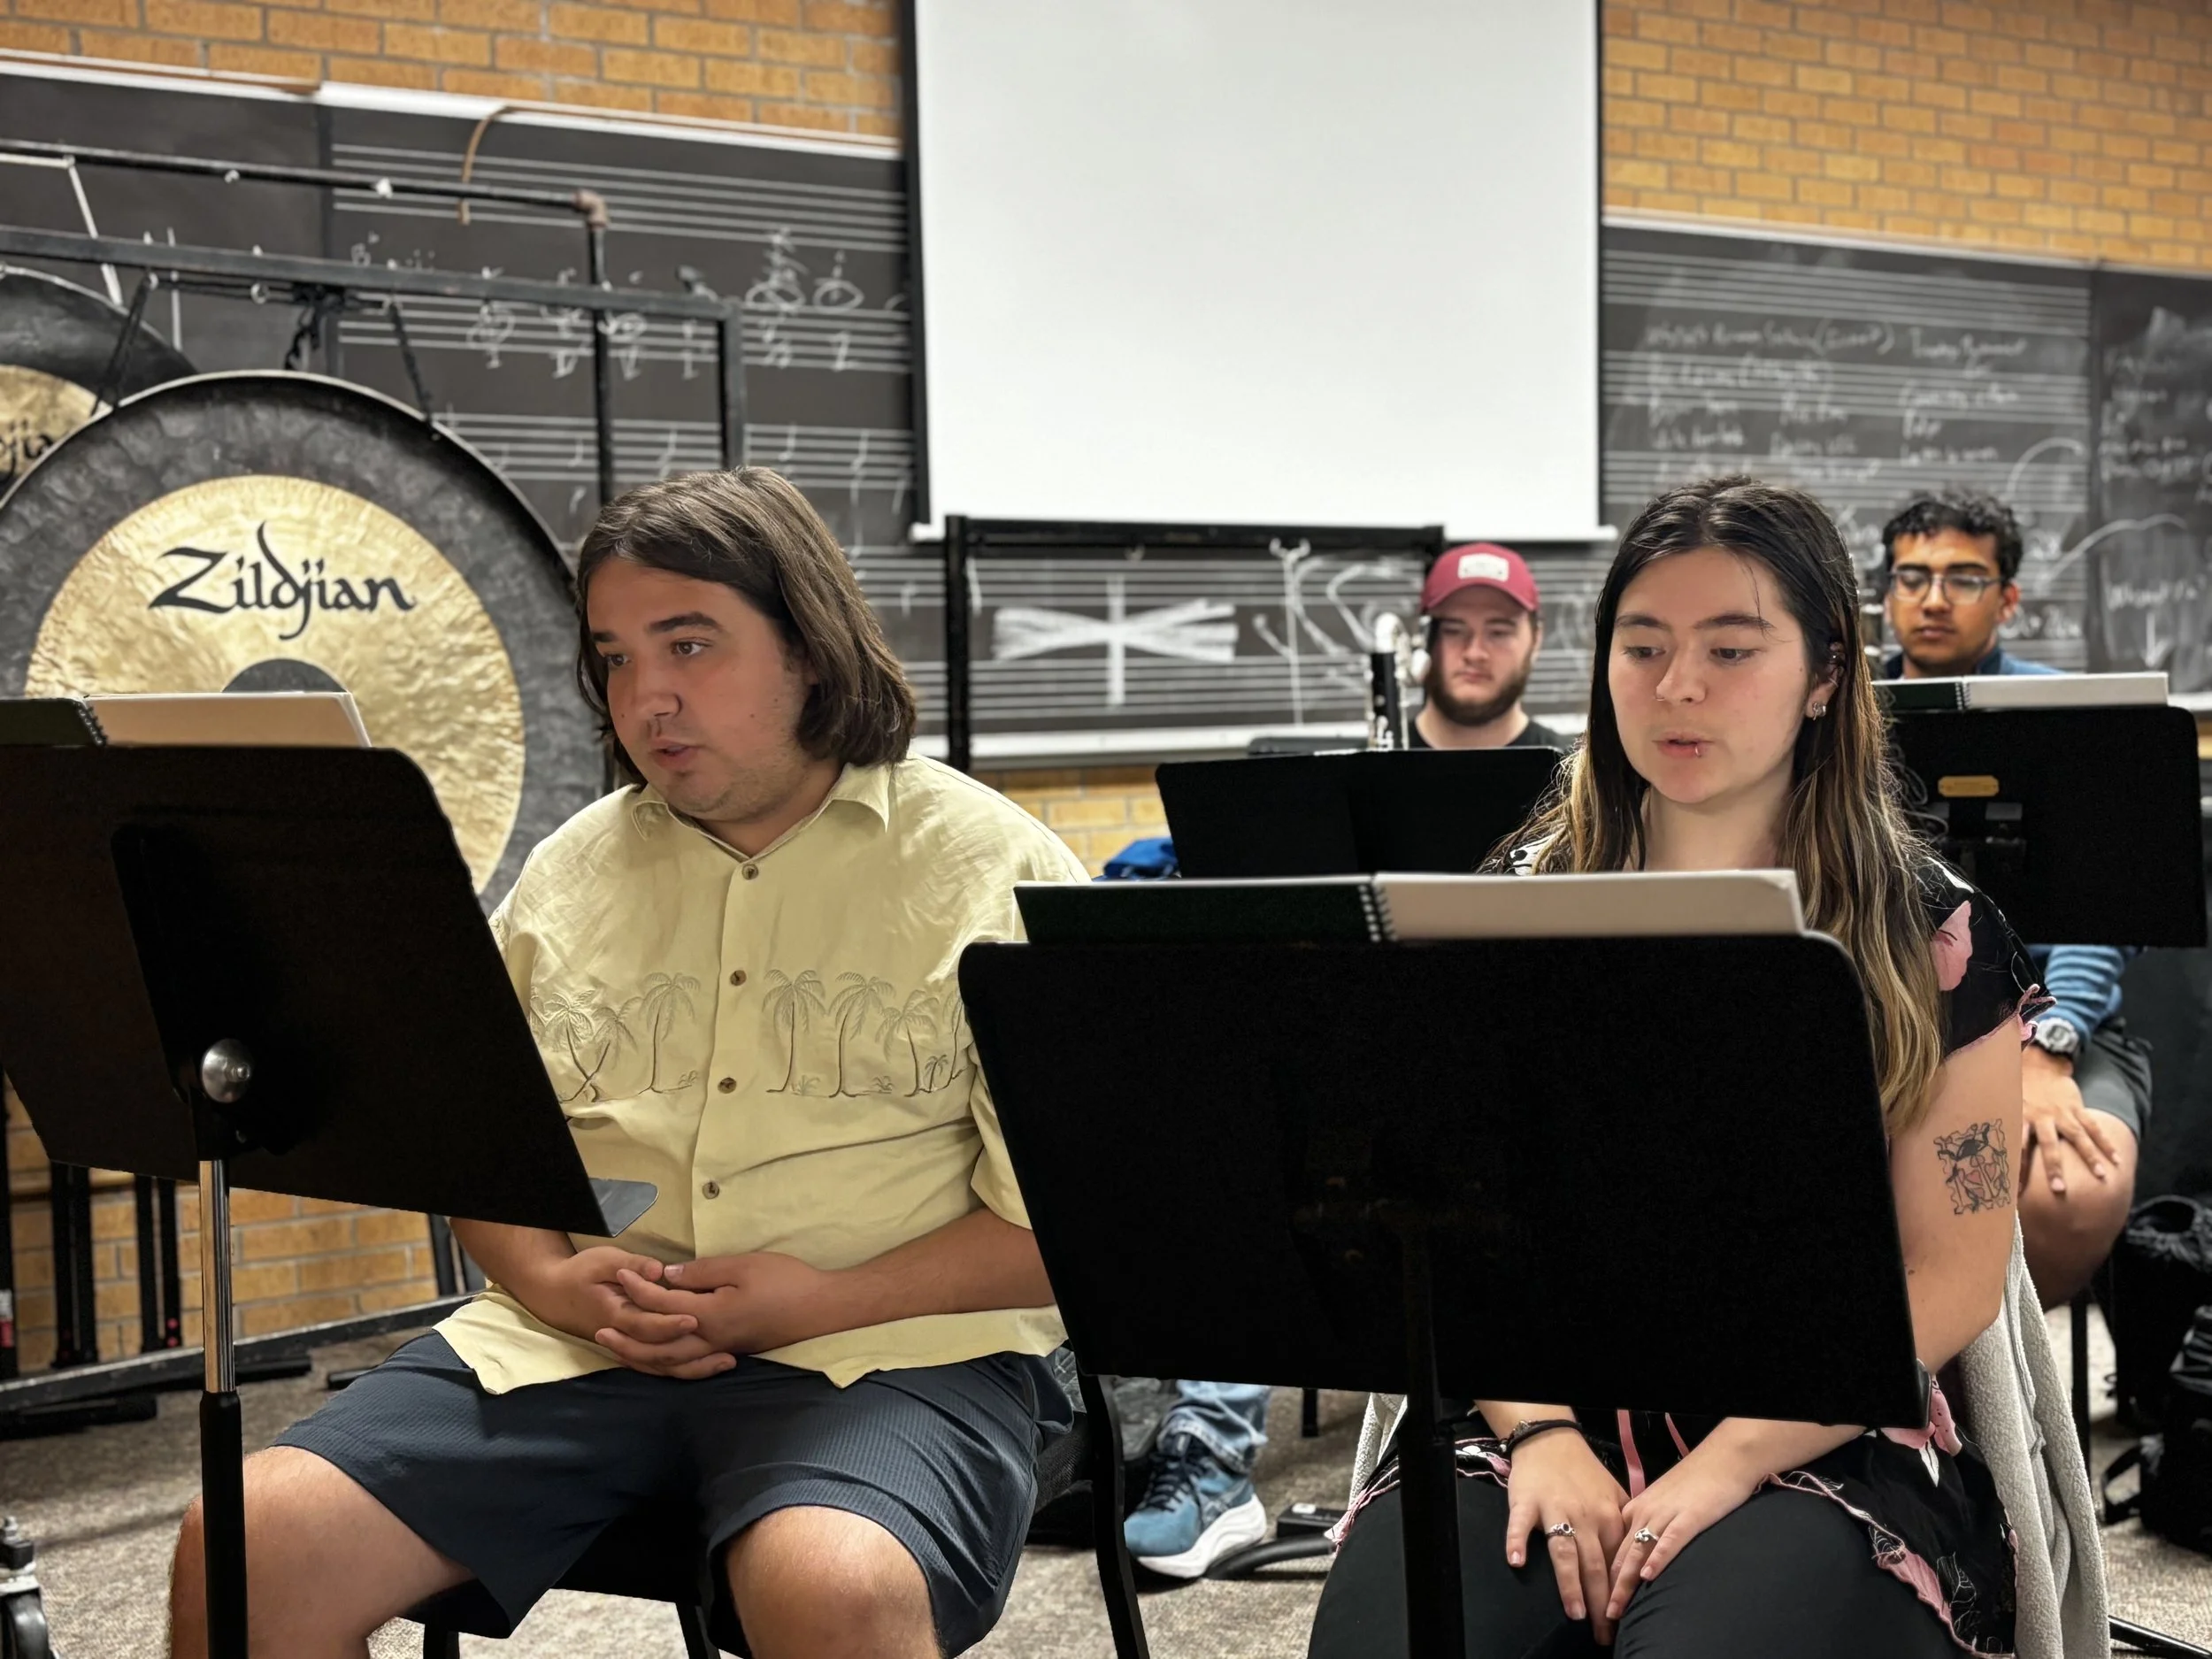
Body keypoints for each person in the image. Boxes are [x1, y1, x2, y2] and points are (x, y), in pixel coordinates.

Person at [168, 469, 1092, 1659]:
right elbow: (482, 1153)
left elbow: (1068, 1224)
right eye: (613, 657)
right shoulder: (567, 872)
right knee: (246, 1540)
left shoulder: (993, 868)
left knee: (833, 1582)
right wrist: (552, 1283)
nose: (646, 696)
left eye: (690, 644)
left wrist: (816, 1298)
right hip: (572, 1342)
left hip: (890, 1350)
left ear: (809, 647)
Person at [1309, 476, 2102, 1659]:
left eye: (1731, 647)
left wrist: (1725, 1462)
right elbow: (1443, 1226)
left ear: (1827, 673)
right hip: (1541, 1405)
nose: (1677, 685)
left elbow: (1948, 1270)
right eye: (1643, 644)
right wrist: (1539, 1432)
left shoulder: (1934, 934)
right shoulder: (1510, 905)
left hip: (1816, 1427)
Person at [1879, 489, 2152, 1307]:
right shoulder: (1829, 712)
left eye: (1964, 578)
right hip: (1887, 1013)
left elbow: (2105, 909)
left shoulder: (2064, 716)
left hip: (2053, 1017)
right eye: (1912, 576)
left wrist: (2048, 1044)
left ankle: (1994, 1406)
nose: (1932, 598)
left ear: (2008, 598)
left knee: (2069, 1189)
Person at [1409, 542, 1571, 752]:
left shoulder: (1577, 779)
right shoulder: (1360, 775)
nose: (1474, 653)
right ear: (1422, 637)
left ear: (1536, 640)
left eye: (1498, 633)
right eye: (1453, 630)